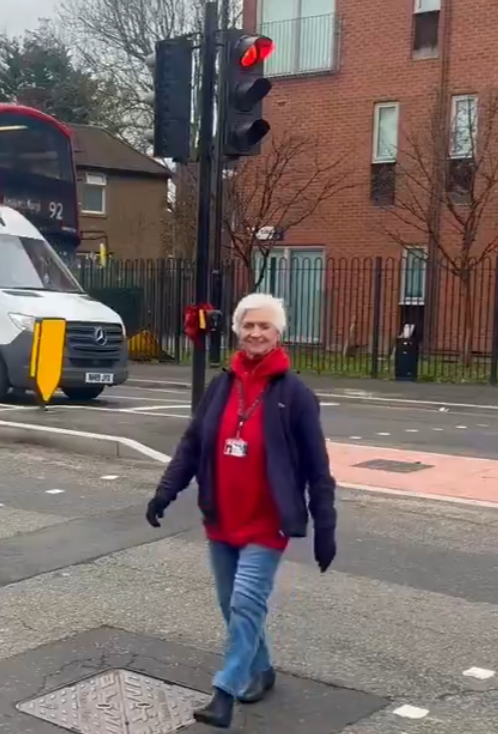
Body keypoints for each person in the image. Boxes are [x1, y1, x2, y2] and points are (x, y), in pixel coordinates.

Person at [145, 292, 338, 728]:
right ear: (237, 331)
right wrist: (165, 492)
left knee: (246, 604)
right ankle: (262, 669)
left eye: (264, 326)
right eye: (248, 325)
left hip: (267, 525)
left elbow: (318, 469)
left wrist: (325, 528)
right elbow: (192, 445)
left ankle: (225, 691)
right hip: (221, 518)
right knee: (230, 604)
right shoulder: (221, 387)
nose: (255, 333)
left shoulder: (296, 395)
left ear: (278, 333)